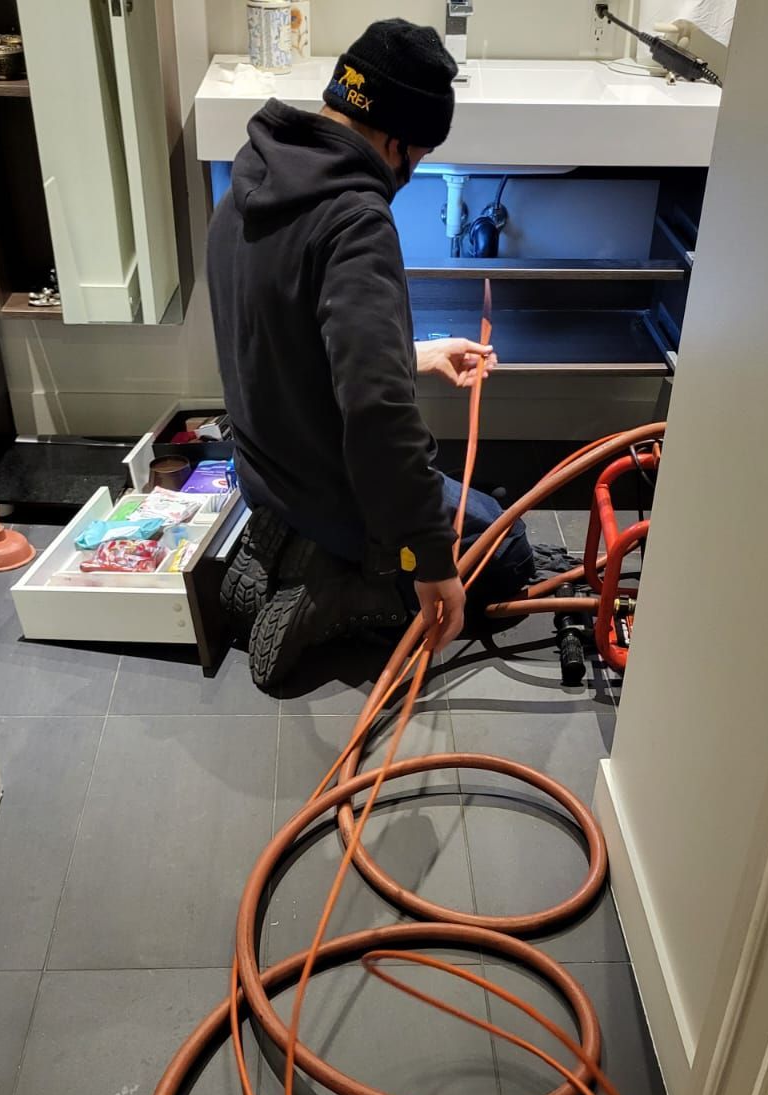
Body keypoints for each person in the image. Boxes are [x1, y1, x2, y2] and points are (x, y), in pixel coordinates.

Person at [207, 18, 542, 688]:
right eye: (417, 160)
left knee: (466, 517)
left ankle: (294, 548)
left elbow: (286, 336)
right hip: (337, 486)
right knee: (505, 550)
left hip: (268, 473)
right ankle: (343, 587)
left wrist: (411, 353)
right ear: (393, 140)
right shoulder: (354, 220)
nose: (411, 176)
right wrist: (431, 560)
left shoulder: (253, 180)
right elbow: (379, 415)